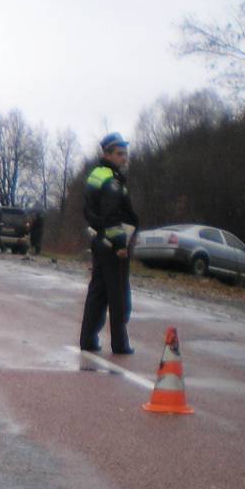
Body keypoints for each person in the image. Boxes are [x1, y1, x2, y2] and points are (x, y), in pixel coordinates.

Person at [78, 132, 140, 355]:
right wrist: (120, 244)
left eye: (125, 153)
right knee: (118, 295)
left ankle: (88, 339)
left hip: (99, 241)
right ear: (107, 154)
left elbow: (91, 211)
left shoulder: (97, 174)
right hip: (113, 246)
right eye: (120, 154)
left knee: (97, 293)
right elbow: (112, 215)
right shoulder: (111, 180)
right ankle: (120, 344)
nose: (124, 158)